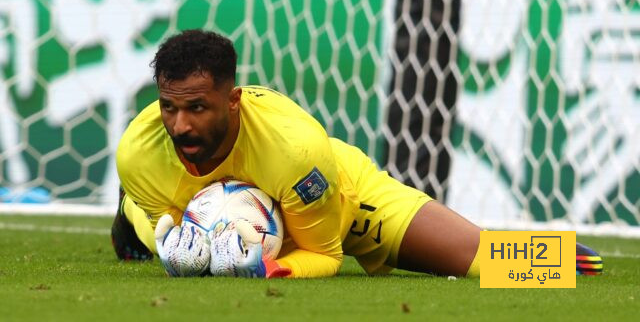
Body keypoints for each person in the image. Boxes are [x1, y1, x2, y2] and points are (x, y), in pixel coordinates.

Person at [111, 29, 602, 278]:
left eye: (197, 108)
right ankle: (126, 209)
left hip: (339, 200)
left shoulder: (297, 152)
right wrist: (174, 249)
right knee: (150, 223)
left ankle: (553, 260)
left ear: (233, 100)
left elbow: (324, 254)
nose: (180, 125)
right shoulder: (142, 150)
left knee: (480, 261)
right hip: (184, 197)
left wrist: (268, 268)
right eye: (169, 107)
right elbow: (177, 239)